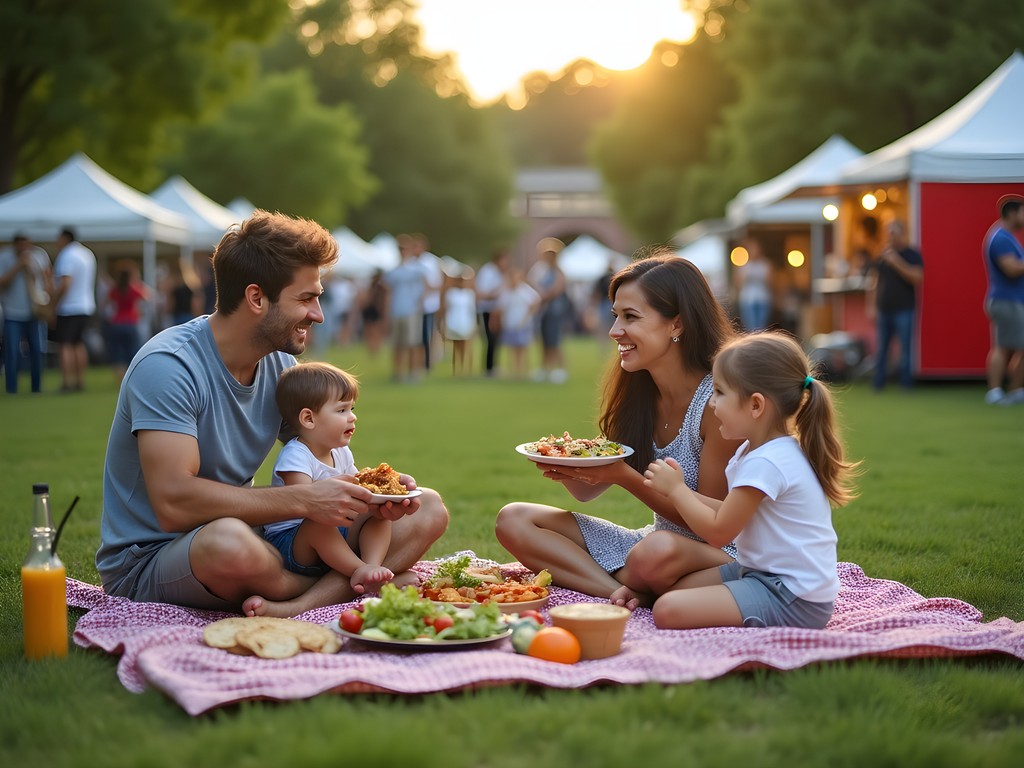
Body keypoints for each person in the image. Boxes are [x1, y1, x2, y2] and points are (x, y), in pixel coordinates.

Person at [96, 210, 448, 617]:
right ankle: (340, 589)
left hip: (250, 536)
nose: (318, 314)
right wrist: (306, 500)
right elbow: (174, 504)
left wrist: (376, 490)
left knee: (429, 507)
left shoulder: (278, 366)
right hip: (153, 560)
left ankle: (306, 599)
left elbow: (319, 453)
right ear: (256, 298)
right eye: (306, 298)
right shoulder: (168, 366)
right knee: (228, 543)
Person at [496, 249, 740, 607]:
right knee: (513, 519)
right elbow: (585, 493)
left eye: (631, 317)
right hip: (656, 545)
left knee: (654, 553)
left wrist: (625, 476)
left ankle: (639, 582)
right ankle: (618, 592)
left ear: (677, 323)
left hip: (718, 552)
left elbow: (712, 526)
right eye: (615, 316)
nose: (614, 331)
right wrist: (567, 465)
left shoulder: (717, 404)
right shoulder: (640, 393)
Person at [642, 331, 859, 630]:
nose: (712, 404)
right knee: (668, 592)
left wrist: (678, 491)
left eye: (719, 392)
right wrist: (676, 489)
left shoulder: (767, 462)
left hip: (792, 597)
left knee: (666, 609)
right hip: (759, 572)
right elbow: (728, 508)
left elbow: (718, 533)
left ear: (756, 405)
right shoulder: (756, 450)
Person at [261, 362, 403, 602]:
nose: (352, 416)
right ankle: (357, 570)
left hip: (334, 527)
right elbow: (303, 503)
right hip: (294, 542)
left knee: (379, 512)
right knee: (319, 524)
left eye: (352, 408)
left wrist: (388, 489)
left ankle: (371, 567)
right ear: (308, 418)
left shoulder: (340, 452)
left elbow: (360, 491)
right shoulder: (296, 455)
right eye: (341, 410)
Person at [866, 220, 924, 390]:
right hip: (884, 309)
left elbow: (917, 278)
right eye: (888, 233)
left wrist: (896, 261)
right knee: (882, 348)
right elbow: (874, 282)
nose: (890, 237)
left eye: (893, 233)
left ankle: (906, 383)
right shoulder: (882, 256)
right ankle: (879, 383)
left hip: (904, 309)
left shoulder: (911, 254)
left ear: (902, 234)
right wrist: (871, 305)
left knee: (906, 348)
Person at [982, 194, 1024, 405]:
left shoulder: (1007, 236)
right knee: (1003, 347)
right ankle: (996, 392)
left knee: (1010, 346)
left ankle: (1015, 390)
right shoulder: (1000, 238)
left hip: (1011, 300)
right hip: (1006, 301)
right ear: (1012, 213)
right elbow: (1012, 269)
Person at [0, 234, 51, 394]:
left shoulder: (39, 255)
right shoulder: (4, 257)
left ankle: (36, 388)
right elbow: (3, 283)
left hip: (34, 312)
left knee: (37, 350)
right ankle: (11, 388)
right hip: (12, 313)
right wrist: (18, 266)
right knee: (12, 351)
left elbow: (46, 280)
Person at [50, 227, 97, 392]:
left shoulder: (67, 255)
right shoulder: (86, 254)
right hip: (86, 305)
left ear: (65, 238)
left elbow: (65, 283)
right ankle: (79, 381)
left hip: (69, 307)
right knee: (78, 343)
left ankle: (66, 383)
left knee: (65, 345)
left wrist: (52, 304)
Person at [527, 237, 570, 383]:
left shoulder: (558, 270)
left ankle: (560, 369)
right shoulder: (540, 269)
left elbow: (558, 288)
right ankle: (545, 368)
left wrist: (544, 294)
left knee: (554, 339)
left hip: (554, 310)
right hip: (543, 310)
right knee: (544, 340)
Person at [385, 234, 426, 382]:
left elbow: (424, 288)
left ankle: (414, 372)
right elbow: (388, 292)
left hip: (412, 311)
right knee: (398, 343)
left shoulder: (417, 269)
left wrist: (420, 305)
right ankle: (398, 373)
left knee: (413, 343)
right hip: (397, 311)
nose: (402, 251)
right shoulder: (394, 270)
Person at [106, 264, 152, 385]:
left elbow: (105, 302)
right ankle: (132, 379)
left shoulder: (115, 289)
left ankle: (120, 380)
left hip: (116, 324)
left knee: (118, 354)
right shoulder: (133, 289)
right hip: (130, 323)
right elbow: (147, 296)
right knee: (132, 352)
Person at [493, 267, 540, 379]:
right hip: (510, 323)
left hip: (522, 323)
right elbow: (501, 307)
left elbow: (536, 301)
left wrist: (528, 316)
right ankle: (514, 370)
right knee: (512, 347)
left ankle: (523, 370)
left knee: (522, 347)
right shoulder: (507, 292)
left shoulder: (524, 290)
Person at [475, 249, 508, 377]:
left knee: (496, 339)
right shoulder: (488, 272)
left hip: (497, 311)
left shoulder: (500, 273)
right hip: (487, 310)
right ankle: (489, 368)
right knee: (490, 339)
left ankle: (495, 365)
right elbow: (483, 294)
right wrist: (497, 292)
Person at [415, 233, 443, 373]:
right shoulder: (413, 262)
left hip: (428, 305)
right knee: (416, 336)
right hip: (414, 305)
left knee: (426, 334)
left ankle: (426, 363)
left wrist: (427, 288)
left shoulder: (431, 262)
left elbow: (437, 284)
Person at [441, 269, 477, 376]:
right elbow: (446, 310)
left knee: (466, 347)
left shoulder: (470, 294)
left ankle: (467, 370)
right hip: (454, 323)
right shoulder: (451, 294)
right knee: (456, 347)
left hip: (466, 323)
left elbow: (472, 310)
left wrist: (474, 325)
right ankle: (457, 370)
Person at [734, 239, 774, 331]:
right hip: (748, 299)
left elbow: (771, 282)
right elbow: (738, 284)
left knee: (762, 326)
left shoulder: (765, 265)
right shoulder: (743, 266)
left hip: (763, 298)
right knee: (750, 326)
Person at [358, 268, 389, 358]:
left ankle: (374, 349)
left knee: (375, 330)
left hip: (376, 310)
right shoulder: (374, 287)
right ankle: (372, 349)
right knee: (370, 330)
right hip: (372, 309)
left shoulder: (381, 287)